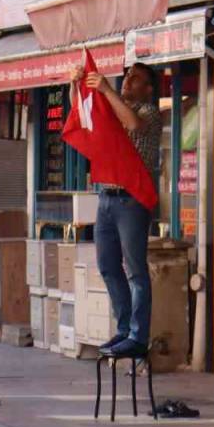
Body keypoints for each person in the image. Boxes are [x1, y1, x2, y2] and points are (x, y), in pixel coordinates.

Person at [69, 63, 163, 358]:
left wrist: (107, 89)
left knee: (135, 271)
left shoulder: (149, 112)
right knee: (108, 265)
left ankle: (138, 335)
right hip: (107, 196)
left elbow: (132, 124)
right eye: (127, 76)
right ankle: (124, 329)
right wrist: (76, 86)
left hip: (132, 199)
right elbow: (85, 117)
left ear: (148, 89)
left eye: (136, 78)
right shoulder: (113, 107)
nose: (127, 81)